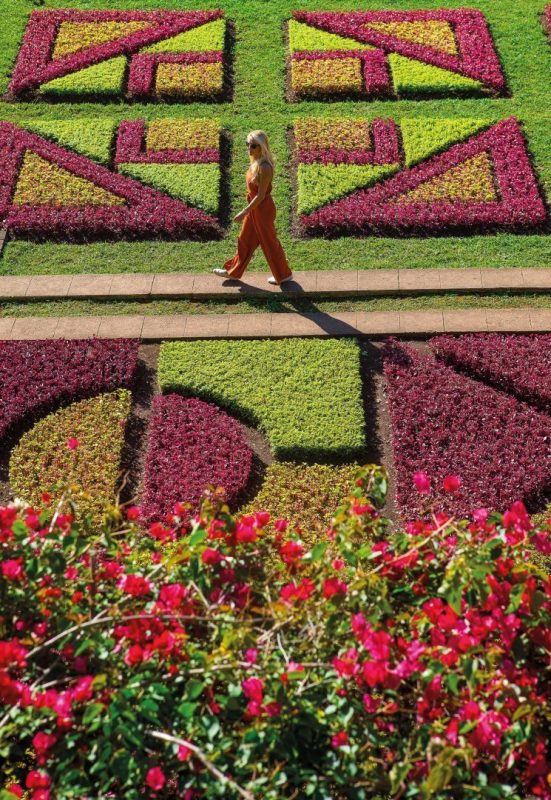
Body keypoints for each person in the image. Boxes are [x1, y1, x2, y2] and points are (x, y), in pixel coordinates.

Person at [213, 130, 293, 286]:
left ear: (262, 147)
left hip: (262, 210)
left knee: (269, 243)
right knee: (244, 240)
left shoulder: (265, 167)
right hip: (254, 208)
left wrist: (244, 212)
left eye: (254, 146)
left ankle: (284, 275)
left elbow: (261, 196)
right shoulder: (256, 163)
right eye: (248, 144)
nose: (249, 148)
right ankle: (234, 272)